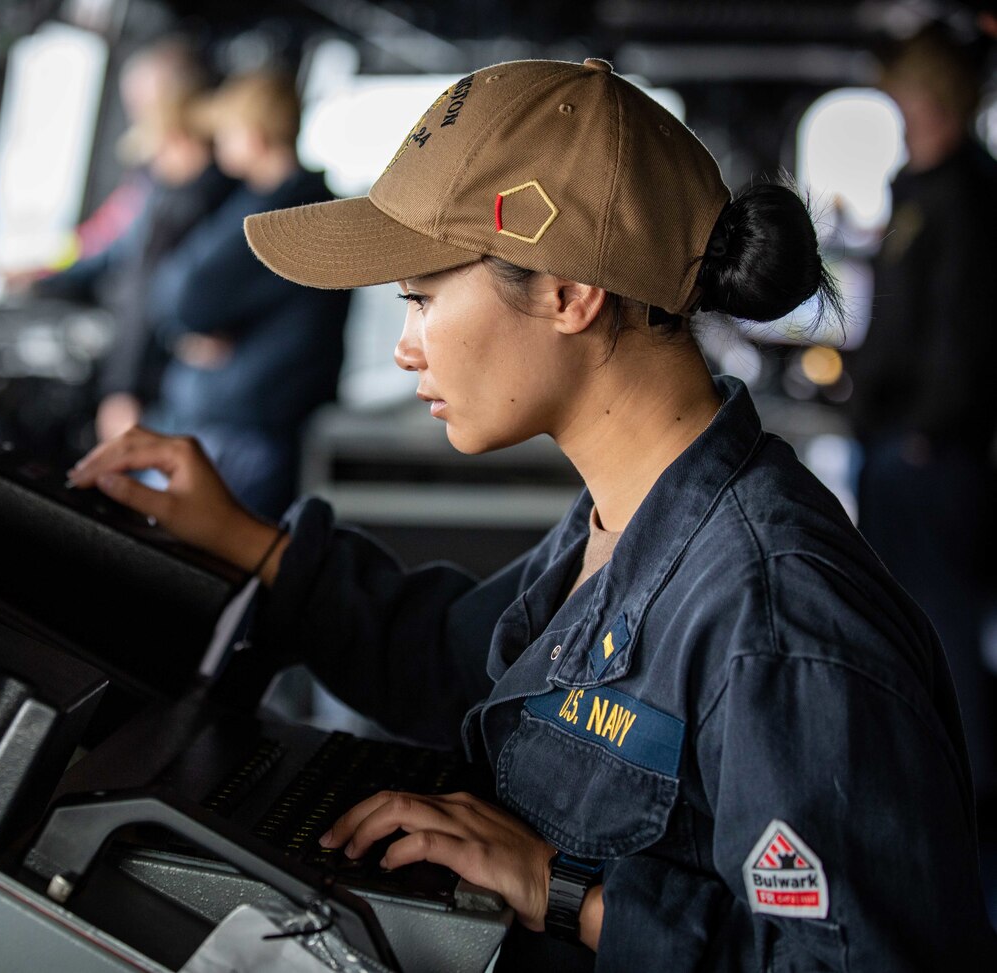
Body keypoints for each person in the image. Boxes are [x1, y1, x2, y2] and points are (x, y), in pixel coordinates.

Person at [68, 58, 996, 968]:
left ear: (568, 290)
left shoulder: (776, 616)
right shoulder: (624, 518)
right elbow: (458, 662)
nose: (404, 349)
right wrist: (248, 543)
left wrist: (566, 893)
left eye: (422, 299)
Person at [849, 26, 997, 821]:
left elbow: (964, 332)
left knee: (939, 623)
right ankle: (928, 778)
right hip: (900, 439)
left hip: (927, 451)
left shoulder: (965, 195)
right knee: (909, 620)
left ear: (936, 99)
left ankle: (963, 798)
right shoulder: (922, 187)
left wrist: (928, 431)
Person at [144, 70, 351, 519]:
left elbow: (185, 297)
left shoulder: (286, 214)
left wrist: (189, 328)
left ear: (254, 136)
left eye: (227, 133)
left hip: (244, 433)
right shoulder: (304, 204)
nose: (218, 145)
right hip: (253, 423)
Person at [28, 38, 236, 443]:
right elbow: (110, 245)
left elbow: (154, 288)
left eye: (143, 103)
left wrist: (123, 389)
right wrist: (42, 272)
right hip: (144, 362)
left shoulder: (204, 190)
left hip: (167, 381)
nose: (135, 114)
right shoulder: (150, 179)